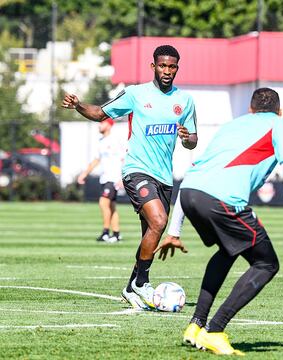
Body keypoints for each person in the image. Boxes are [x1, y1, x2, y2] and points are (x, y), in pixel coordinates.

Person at [155, 88, 283, 356]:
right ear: (279, 113)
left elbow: (192, 173)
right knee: (267, 263)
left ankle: (196, 325)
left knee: (227, 251)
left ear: (250, 110)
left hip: (189, 195)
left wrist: (174, 230)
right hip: (222, 201)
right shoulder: (281, 126)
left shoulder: (231, 127)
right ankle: (215, 330)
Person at [61, 45, 198, 309]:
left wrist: (187, 138)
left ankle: (130, 287)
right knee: (160, 221)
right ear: (153, 66)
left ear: (177, 68)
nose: (167, 71)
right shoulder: (136, 94)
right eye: (162, 65)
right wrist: (78, 105)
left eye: (172, 66)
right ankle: (141, 283)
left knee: (150, 234)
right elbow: (100, 113)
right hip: (136, 170)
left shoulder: (186, 100)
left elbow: (192, 141)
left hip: (164, 178)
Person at [77, 117, 123, 243]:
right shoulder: (101, 141)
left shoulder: (115, 140)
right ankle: (117, 234)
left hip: (113, 178)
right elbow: (97, 160)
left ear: (109, 125)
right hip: (105, 178)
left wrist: (122, 177)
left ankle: (105, 233)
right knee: (112, 206)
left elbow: (124, 159)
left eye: (101, 123)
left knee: (103, 203)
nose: (99, 126)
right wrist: (84, 174)